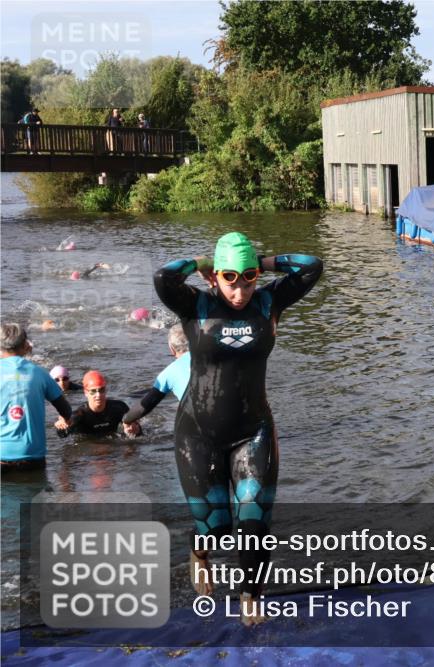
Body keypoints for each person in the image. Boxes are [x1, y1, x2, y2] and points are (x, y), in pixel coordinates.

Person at [154, 232, 322, 625]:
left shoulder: (268, 302)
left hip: (253, 432)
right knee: (215, 528)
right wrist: (202, 262)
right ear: (216, 277)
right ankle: (200, 551)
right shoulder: (196, 305)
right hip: (199, 433)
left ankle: (251, 597)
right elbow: (164, 277)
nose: (240, 290)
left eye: (248, 279)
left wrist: (260, 263)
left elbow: (311, 266)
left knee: (255, 522)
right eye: (230, 278)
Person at [1, 323, 74, 469]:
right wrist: (66, 419)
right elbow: (65, 409)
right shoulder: (39, 373)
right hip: (32, 456)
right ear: (25, 345)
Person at [123, 324, 190, 424]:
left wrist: (126, 420)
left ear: (171, 349)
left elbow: (144, 406)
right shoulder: (212, 357)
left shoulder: (169, 372)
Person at [55, 370, 141, 438]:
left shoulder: (119, 407)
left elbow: (139, 433)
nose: (98, 395)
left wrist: (135, 430)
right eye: (93, 391)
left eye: (101, 390)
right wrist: (61, 425)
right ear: (86, 392)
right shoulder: (80, 415)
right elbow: (63, 435)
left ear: (105, 390)